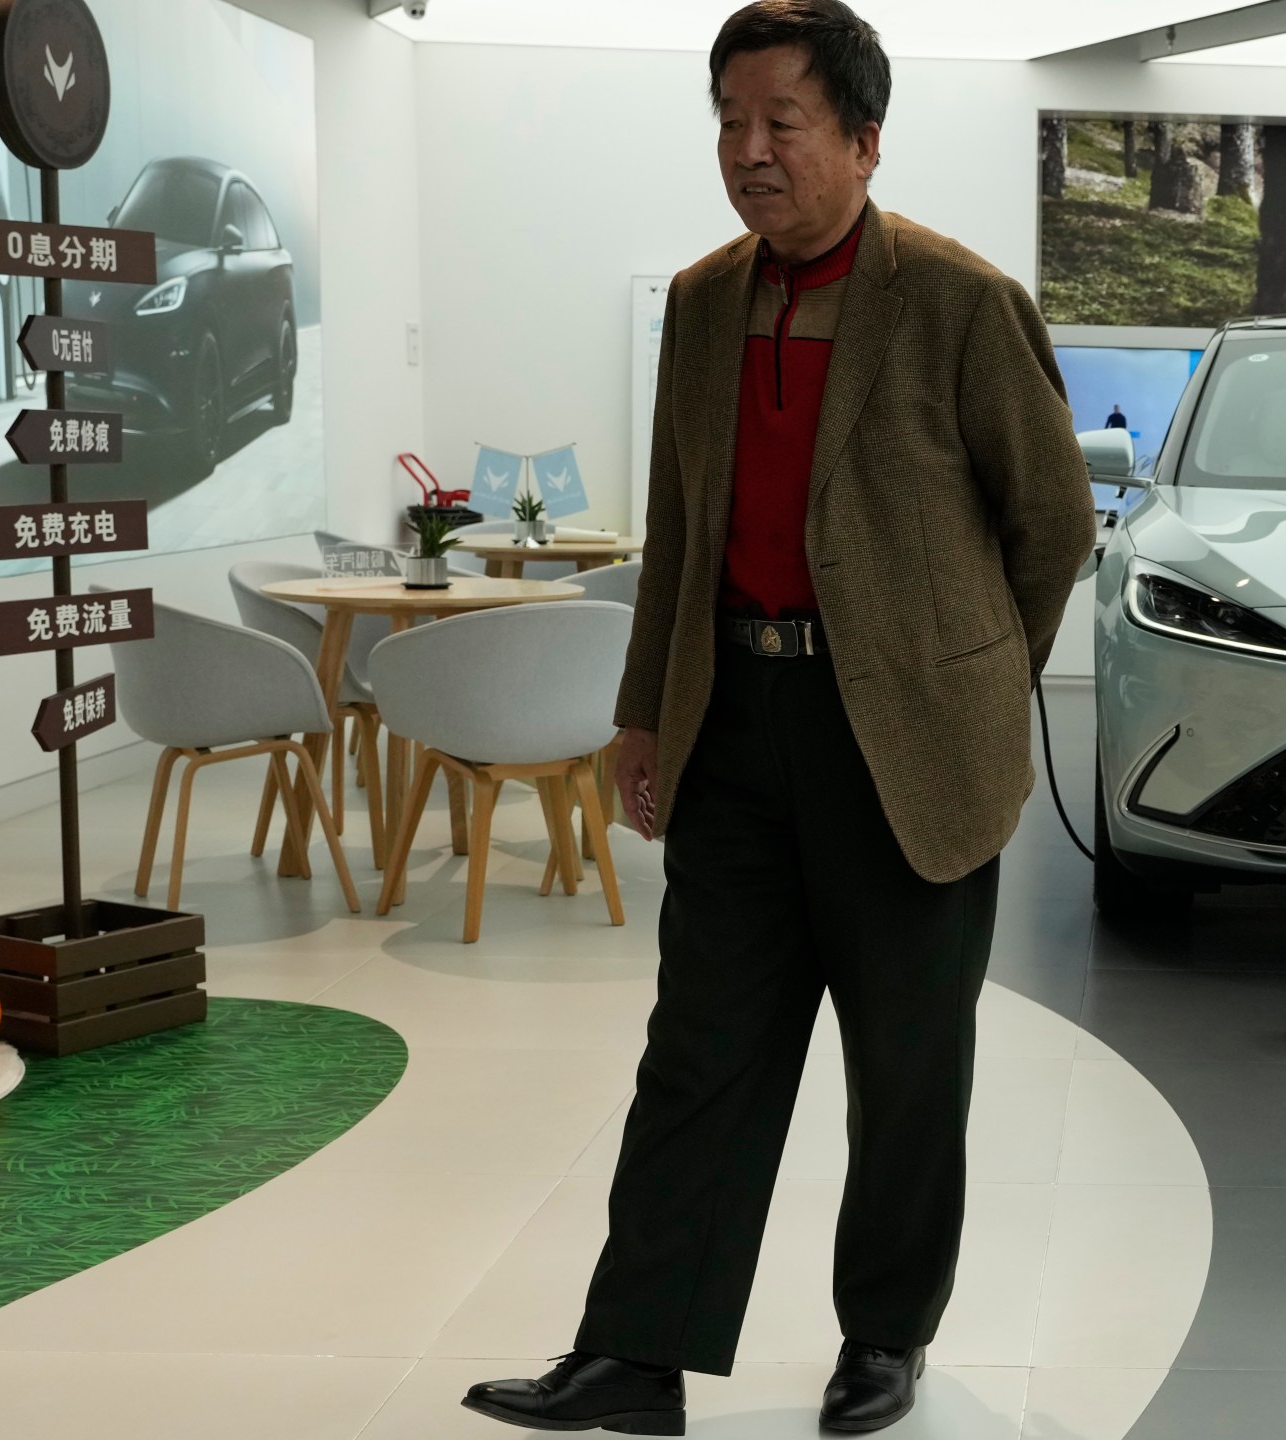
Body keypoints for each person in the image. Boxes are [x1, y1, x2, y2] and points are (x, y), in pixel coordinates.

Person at [460, 2, 1095, 1432]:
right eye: (729, 124)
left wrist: (975, 674)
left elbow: (1051, 524)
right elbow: (678, 528)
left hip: (905, 744)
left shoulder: (957, 299)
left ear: (865, 141)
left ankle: (885, 1337)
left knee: (906, 1059)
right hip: (734, 717)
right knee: (704, 1046)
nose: (750, 153)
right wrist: (642, 716)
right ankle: (637, 1352)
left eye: (781, 125)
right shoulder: (701, 300)